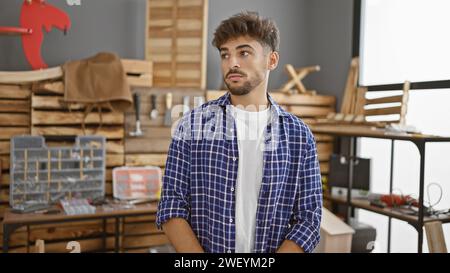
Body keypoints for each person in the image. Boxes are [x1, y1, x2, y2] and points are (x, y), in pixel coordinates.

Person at [156, 11, 322, 253]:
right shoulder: (192, 126)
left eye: (244, 53)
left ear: (271, 60)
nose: (232, 62)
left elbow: (309, 220)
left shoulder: (300, 136)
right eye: (225, 54)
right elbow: (171, 206)